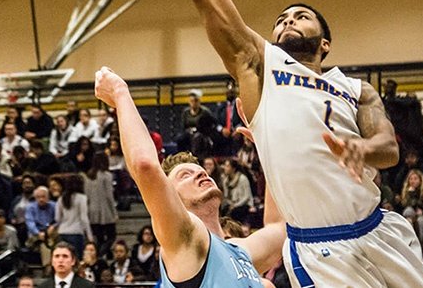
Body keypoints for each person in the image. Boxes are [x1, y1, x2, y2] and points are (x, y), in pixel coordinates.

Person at [95, 0, 423, 288]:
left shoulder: (356, 88)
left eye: (301, 16)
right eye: (282, 18)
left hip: (378, 226)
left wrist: (360, 151)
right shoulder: (261, 64)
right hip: (321, 247)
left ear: (324, 42)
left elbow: (389, 148)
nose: (289, 21)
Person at [94, 67, 285, 288]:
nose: (200, 173)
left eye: (200, 170)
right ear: (170, 196)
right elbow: (145, 166)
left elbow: (278, 227)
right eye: (185, 175)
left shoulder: (240, 252)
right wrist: (120, 92)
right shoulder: (186, 237)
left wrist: (270, 148)